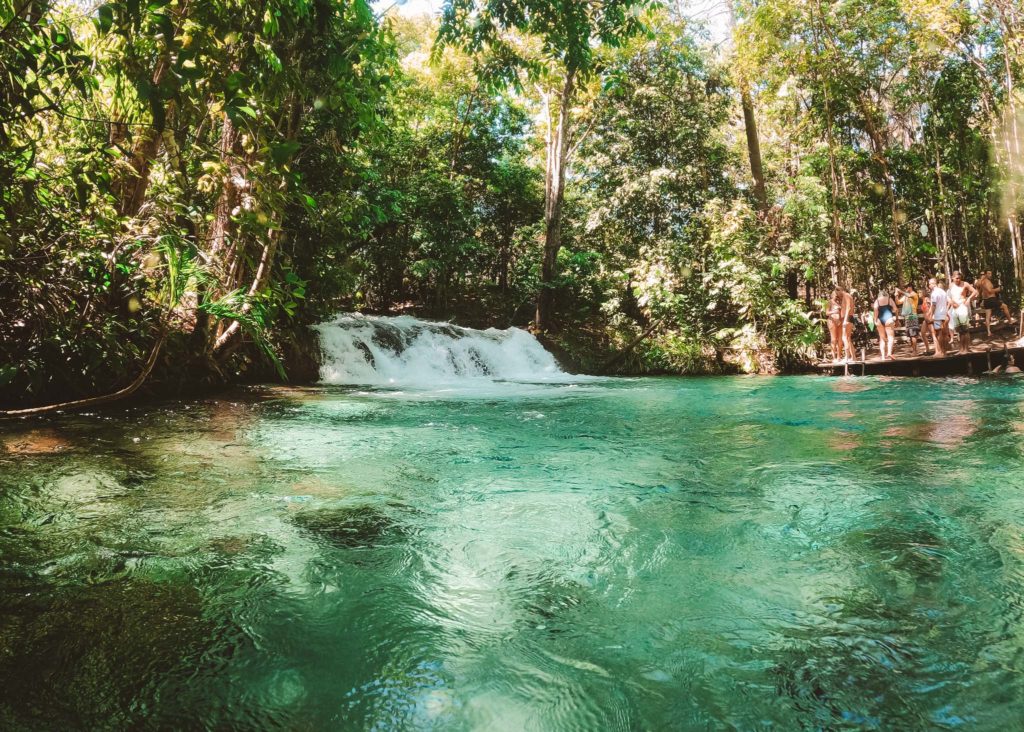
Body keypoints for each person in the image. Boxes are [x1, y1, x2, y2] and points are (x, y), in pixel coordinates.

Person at [948, 270, 978, 354]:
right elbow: (949, 296)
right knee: (959, 331)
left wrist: (968, 299)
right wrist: (952, 303)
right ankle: (961, 349)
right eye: (956, 278)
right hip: (955, 309)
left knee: (965, 330)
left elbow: (975, 292)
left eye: (959, 278)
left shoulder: (965, 284)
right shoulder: (951, 285)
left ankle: (966, 349)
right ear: (952, 278)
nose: (958, 280)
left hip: (962, 307)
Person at [975, 270, 1013, 335]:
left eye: (991, 273)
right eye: (989, 273)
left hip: (986, 301)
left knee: (988, 316)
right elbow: (989, 291)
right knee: (1005, 306)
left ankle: (989, 332)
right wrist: (997, 289)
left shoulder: (981, 282)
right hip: (991, 299)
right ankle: (1010, 321)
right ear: (986, 274)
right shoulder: (986, 281)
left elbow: (980, 290)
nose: (990, 275)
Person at [827, 285, 855, 362]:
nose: (838, 296)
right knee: (845, 338)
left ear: (840, 290)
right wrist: (834, 312)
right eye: (835, 294)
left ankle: (845, 357)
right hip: (835, 321)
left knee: (843, 338)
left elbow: (848, 308)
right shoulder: (831, 302)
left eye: (837, 294)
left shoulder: (846, 296)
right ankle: (852, 357)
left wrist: (845, 319)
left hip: (845, 319)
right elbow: (827, 312)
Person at [895, 283, 921, 356]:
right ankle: (913, 350)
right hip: (907, 317)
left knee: (913, 334)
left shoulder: (914, 294)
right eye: (905, 288)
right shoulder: (905, 296)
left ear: (910, 287)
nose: (905, 289)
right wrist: (896, 295)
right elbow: (898, 302)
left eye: (906, 287)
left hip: (912, 316)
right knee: (910, 335)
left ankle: (915, 351)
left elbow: (909, 295)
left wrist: (900, 291)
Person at [873, 286, 897, 360]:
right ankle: (889, 353)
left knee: (882, 339)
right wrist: (894, 315)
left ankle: (883, 356)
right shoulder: (890, 299)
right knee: (891, 337)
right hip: (889, 318)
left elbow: (875, 311)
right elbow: (895, 309)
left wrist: (875, 320)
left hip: (879, 320)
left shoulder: (877, 301)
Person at [929, 277, 949, 357]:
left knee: (939, 333)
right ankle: (944, 352)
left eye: (930, 284)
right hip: (944, 314)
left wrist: (931, 315)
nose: (929, 285)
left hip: (937, 315)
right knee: (944, 333)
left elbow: (933, 305)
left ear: (934, 284)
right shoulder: (943, 292)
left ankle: (941, 352)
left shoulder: (934, 293)